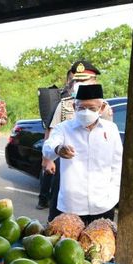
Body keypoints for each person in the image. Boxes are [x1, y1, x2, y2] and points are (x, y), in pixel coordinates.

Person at [42, 84, 122, 225]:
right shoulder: (64, 128)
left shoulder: (111, 129)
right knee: (68, 245)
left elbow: (117, 164)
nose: (86, 112)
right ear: (74, 107)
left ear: (102, 108)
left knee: (100, 245)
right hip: (71, 205)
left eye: (91, 108)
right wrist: (58, 149)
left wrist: (113, 195)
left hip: (103, 204)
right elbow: (48, 146)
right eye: (81, 108)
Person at [37, 70, 74, 210]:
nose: (75, 83)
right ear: (67, 82)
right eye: (72, 80)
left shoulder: (93, 103)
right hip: (59, 148)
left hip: (74, 155)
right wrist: (46, 158)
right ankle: (43, 199)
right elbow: (50, 128)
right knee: (50, 175)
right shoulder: (61, 101)